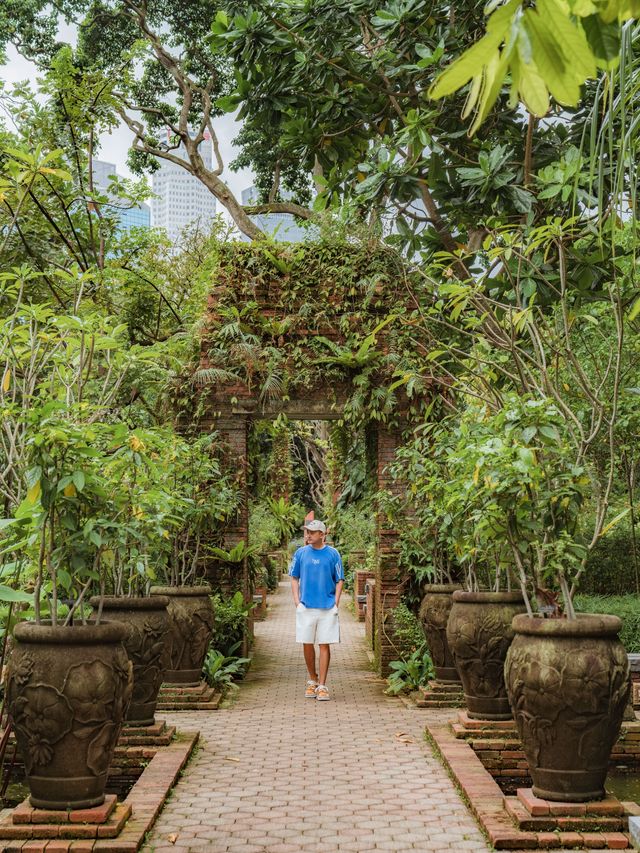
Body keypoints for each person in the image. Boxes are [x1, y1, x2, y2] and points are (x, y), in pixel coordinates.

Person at [289, 519, 344, 701]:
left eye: (312, 532)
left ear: (322, 534)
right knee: (306, 643)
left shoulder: (333, 554)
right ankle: (312, 680)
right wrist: (297, 601)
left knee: (324, 644)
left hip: (327, 607)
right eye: (307, 532)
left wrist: (336, 602)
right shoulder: (300, 553)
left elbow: (340, 579)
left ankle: (322, 685)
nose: (308, 535)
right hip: (306, 606)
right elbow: (294, 577)